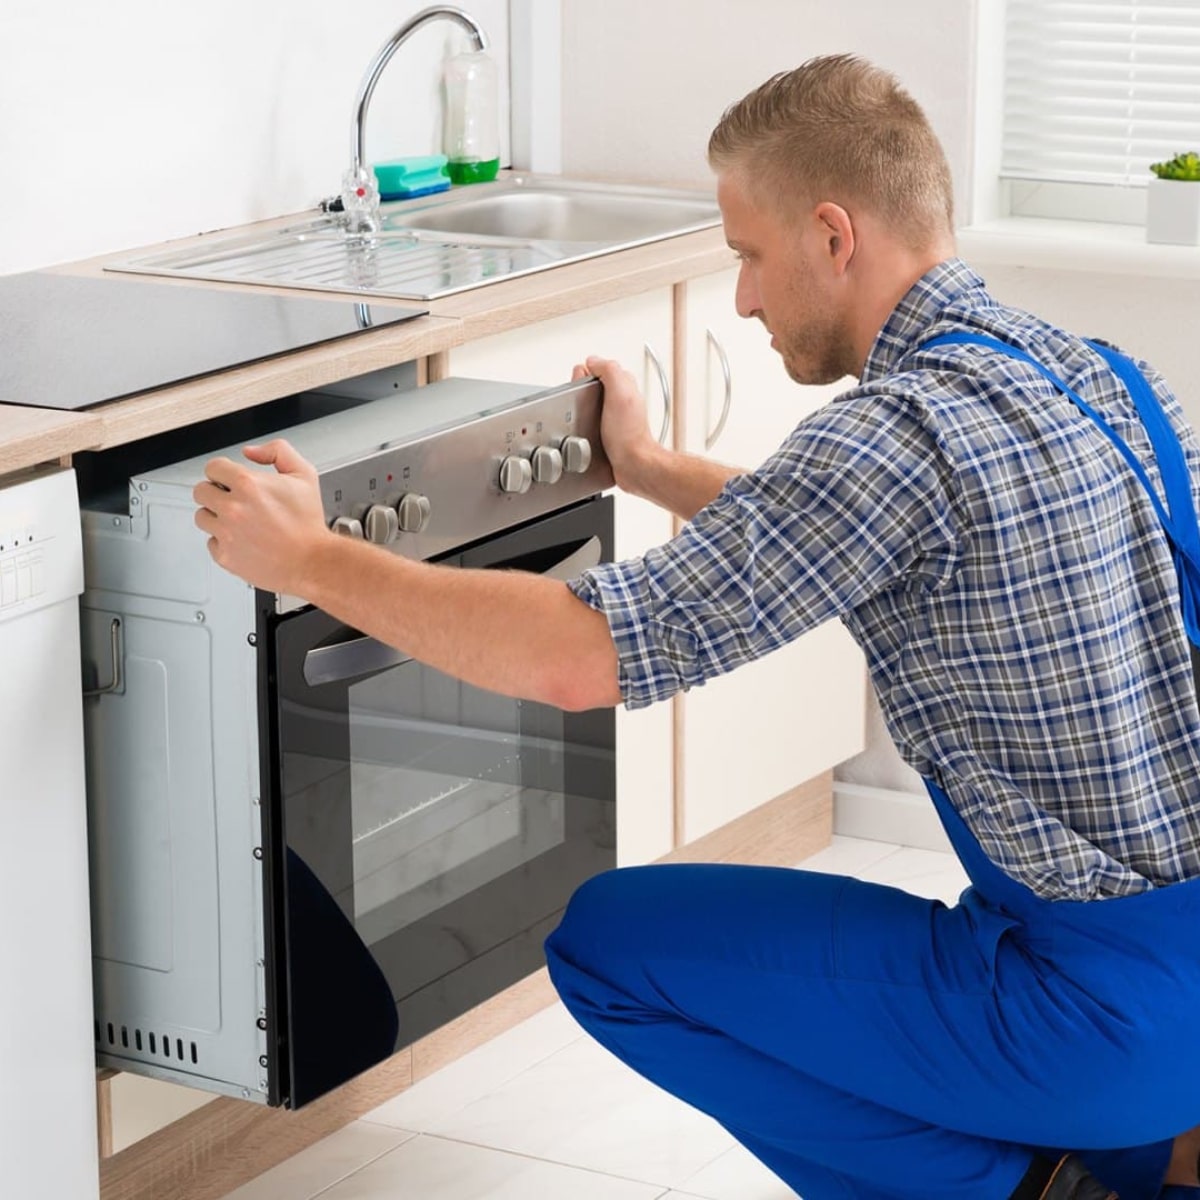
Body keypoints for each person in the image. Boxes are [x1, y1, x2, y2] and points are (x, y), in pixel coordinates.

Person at [193, 53, 1200, 1200]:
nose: (745, 300)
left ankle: (1038, 1185)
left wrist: (313, 557)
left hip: (1095, 1011)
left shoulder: (893, 438)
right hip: (1184, 980)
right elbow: (835, 535)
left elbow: (578, 657)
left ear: (834, 235)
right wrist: (650, 467)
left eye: (748, 256)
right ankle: (1151, 1149)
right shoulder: (1104, 380)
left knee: (613, 951)